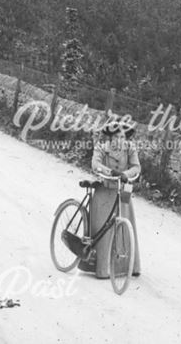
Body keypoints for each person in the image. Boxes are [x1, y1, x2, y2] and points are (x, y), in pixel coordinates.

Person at [80, 117, 142, 278]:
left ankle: (128, 267)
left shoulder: (130, 149)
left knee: (126, 225)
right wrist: (109, 172)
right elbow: (95, 164)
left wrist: (125, 174)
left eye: (122, 137)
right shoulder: (101, 148)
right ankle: (102, 268)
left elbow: (136, 167)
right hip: (105, 191)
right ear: (111, 138)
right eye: (116, 137)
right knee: (103, 228)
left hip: (122, 191)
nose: (119, 140)